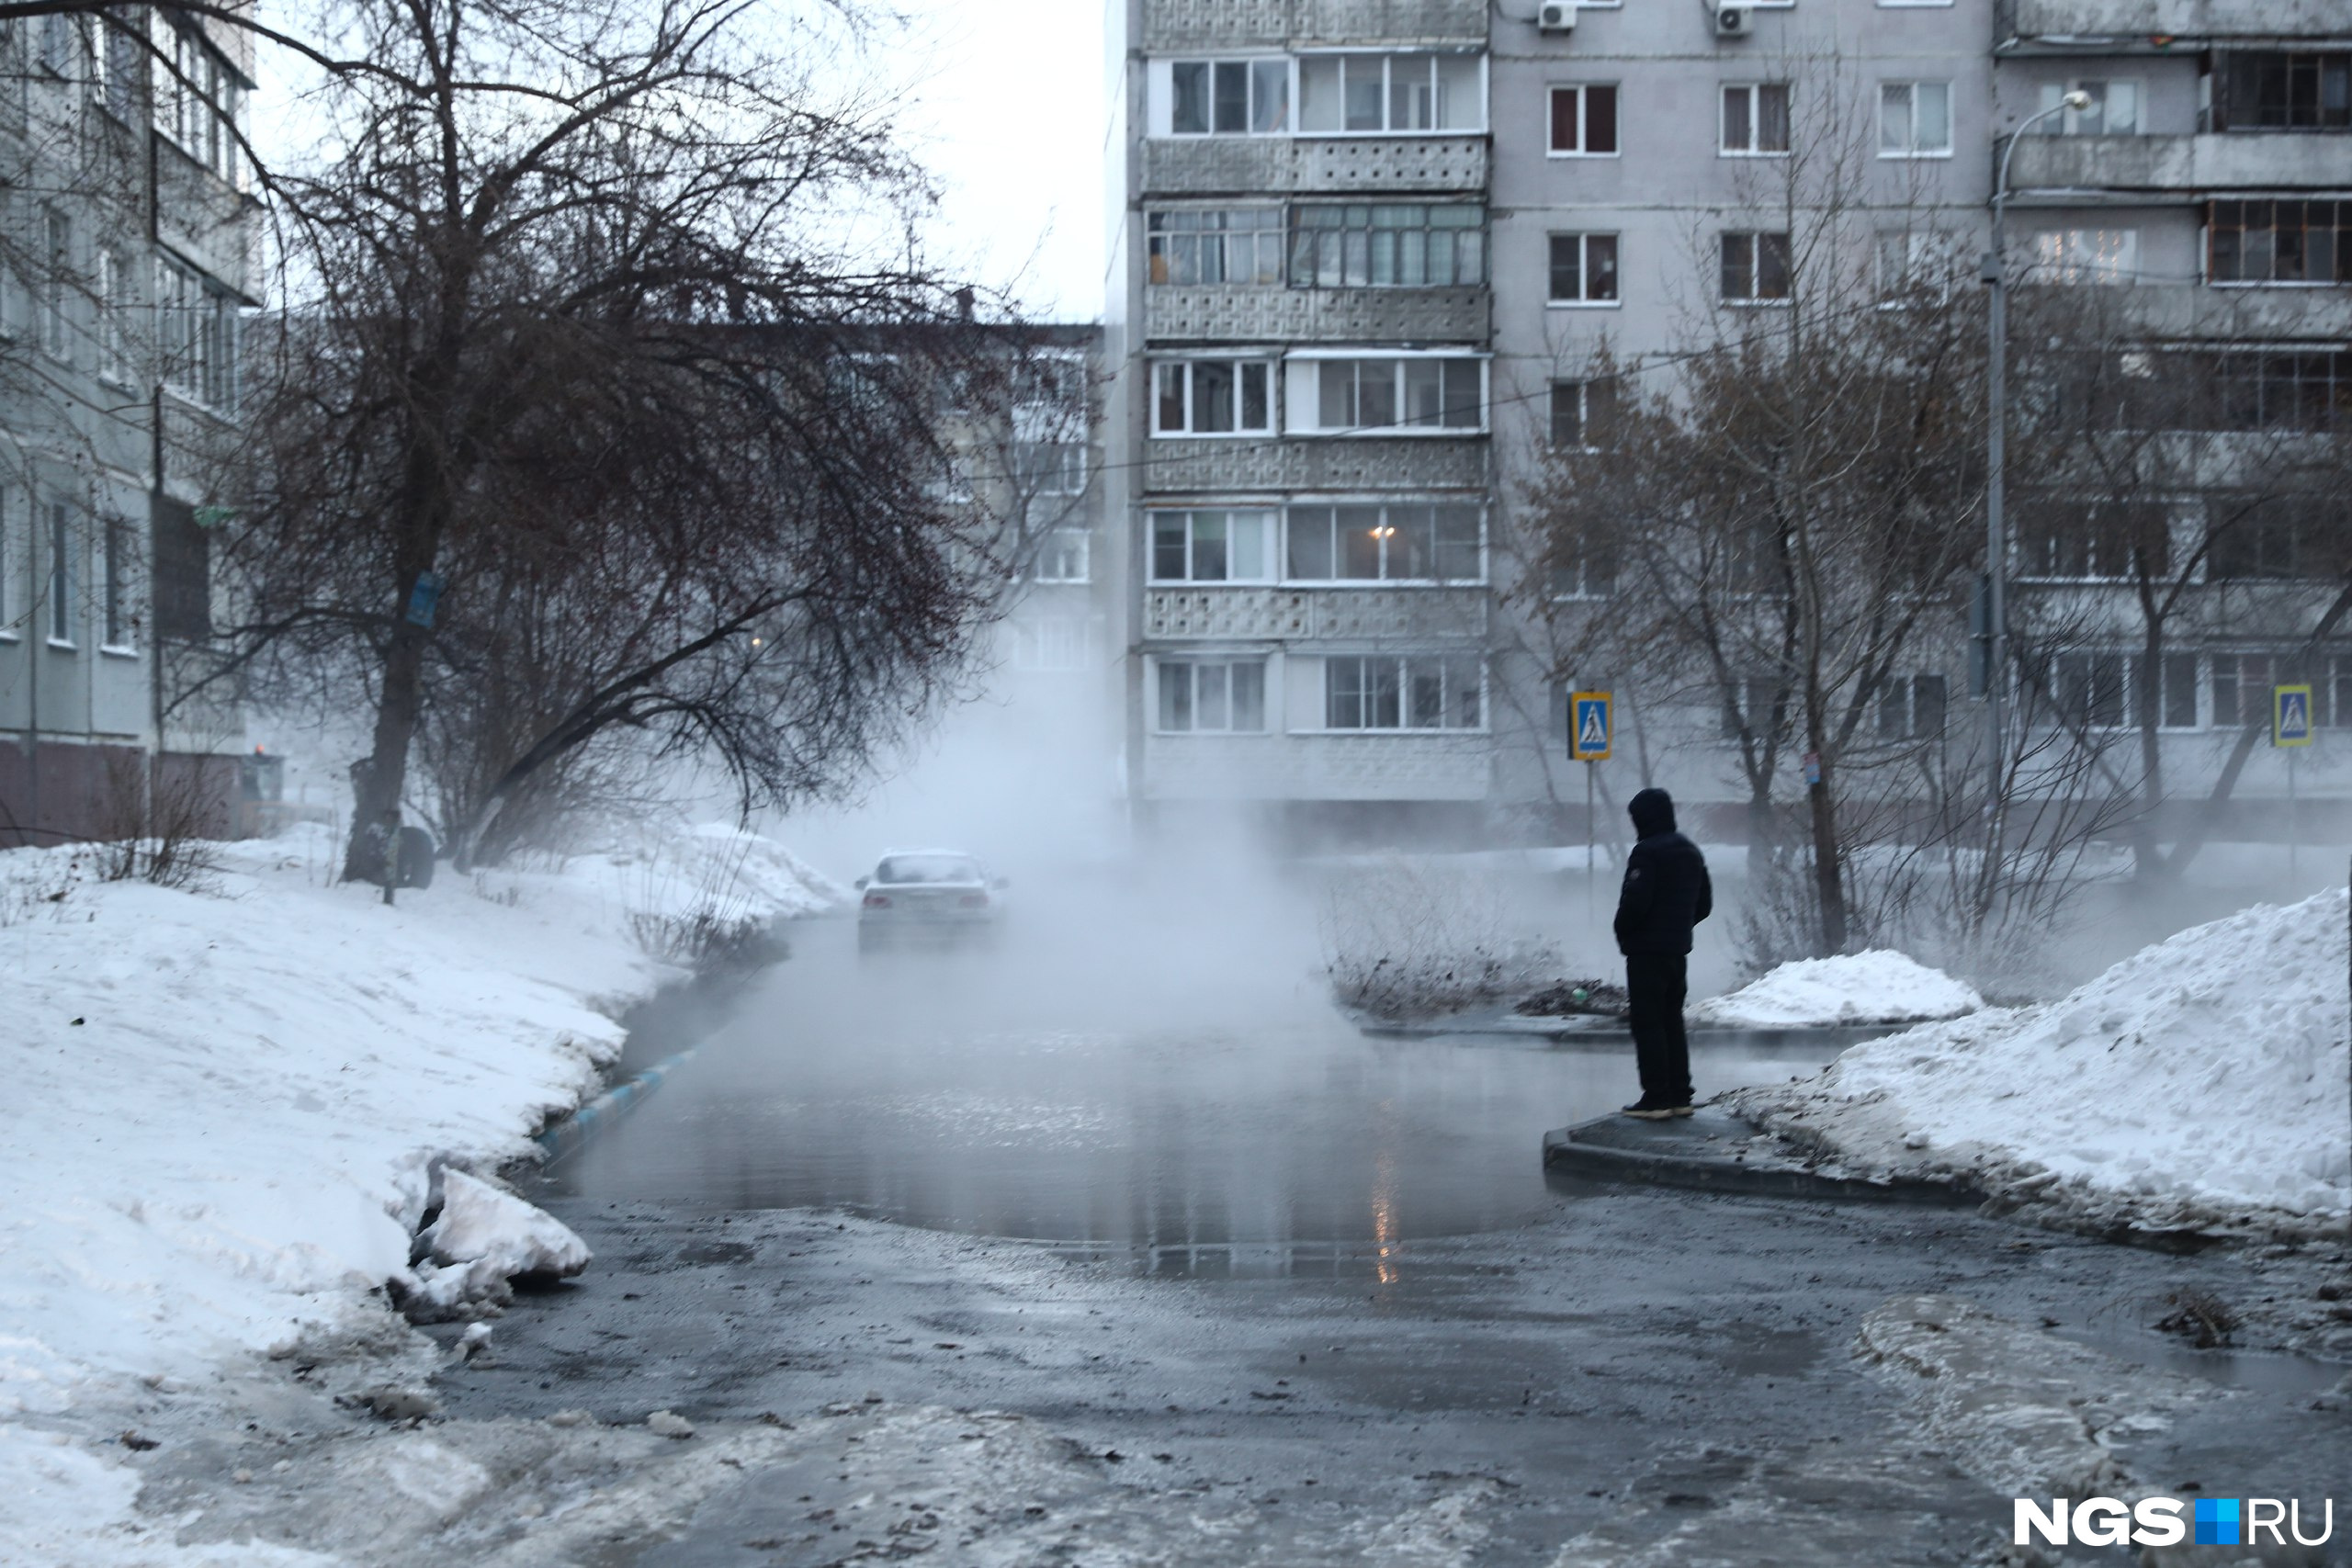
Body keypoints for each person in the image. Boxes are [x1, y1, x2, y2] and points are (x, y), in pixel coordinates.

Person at [1611, 787, 1712, 1120]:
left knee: (1648, 1022)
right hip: (1676, 951)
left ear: (1644, 818)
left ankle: (1655, 1098)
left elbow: (1634, 904)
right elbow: (1704, 904)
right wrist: (1679, 926)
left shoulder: (1647, 853)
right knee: (1671, 1020)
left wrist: (1623, 930)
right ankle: (1680, 1094)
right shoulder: (1691, 851)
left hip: (1646, 953)